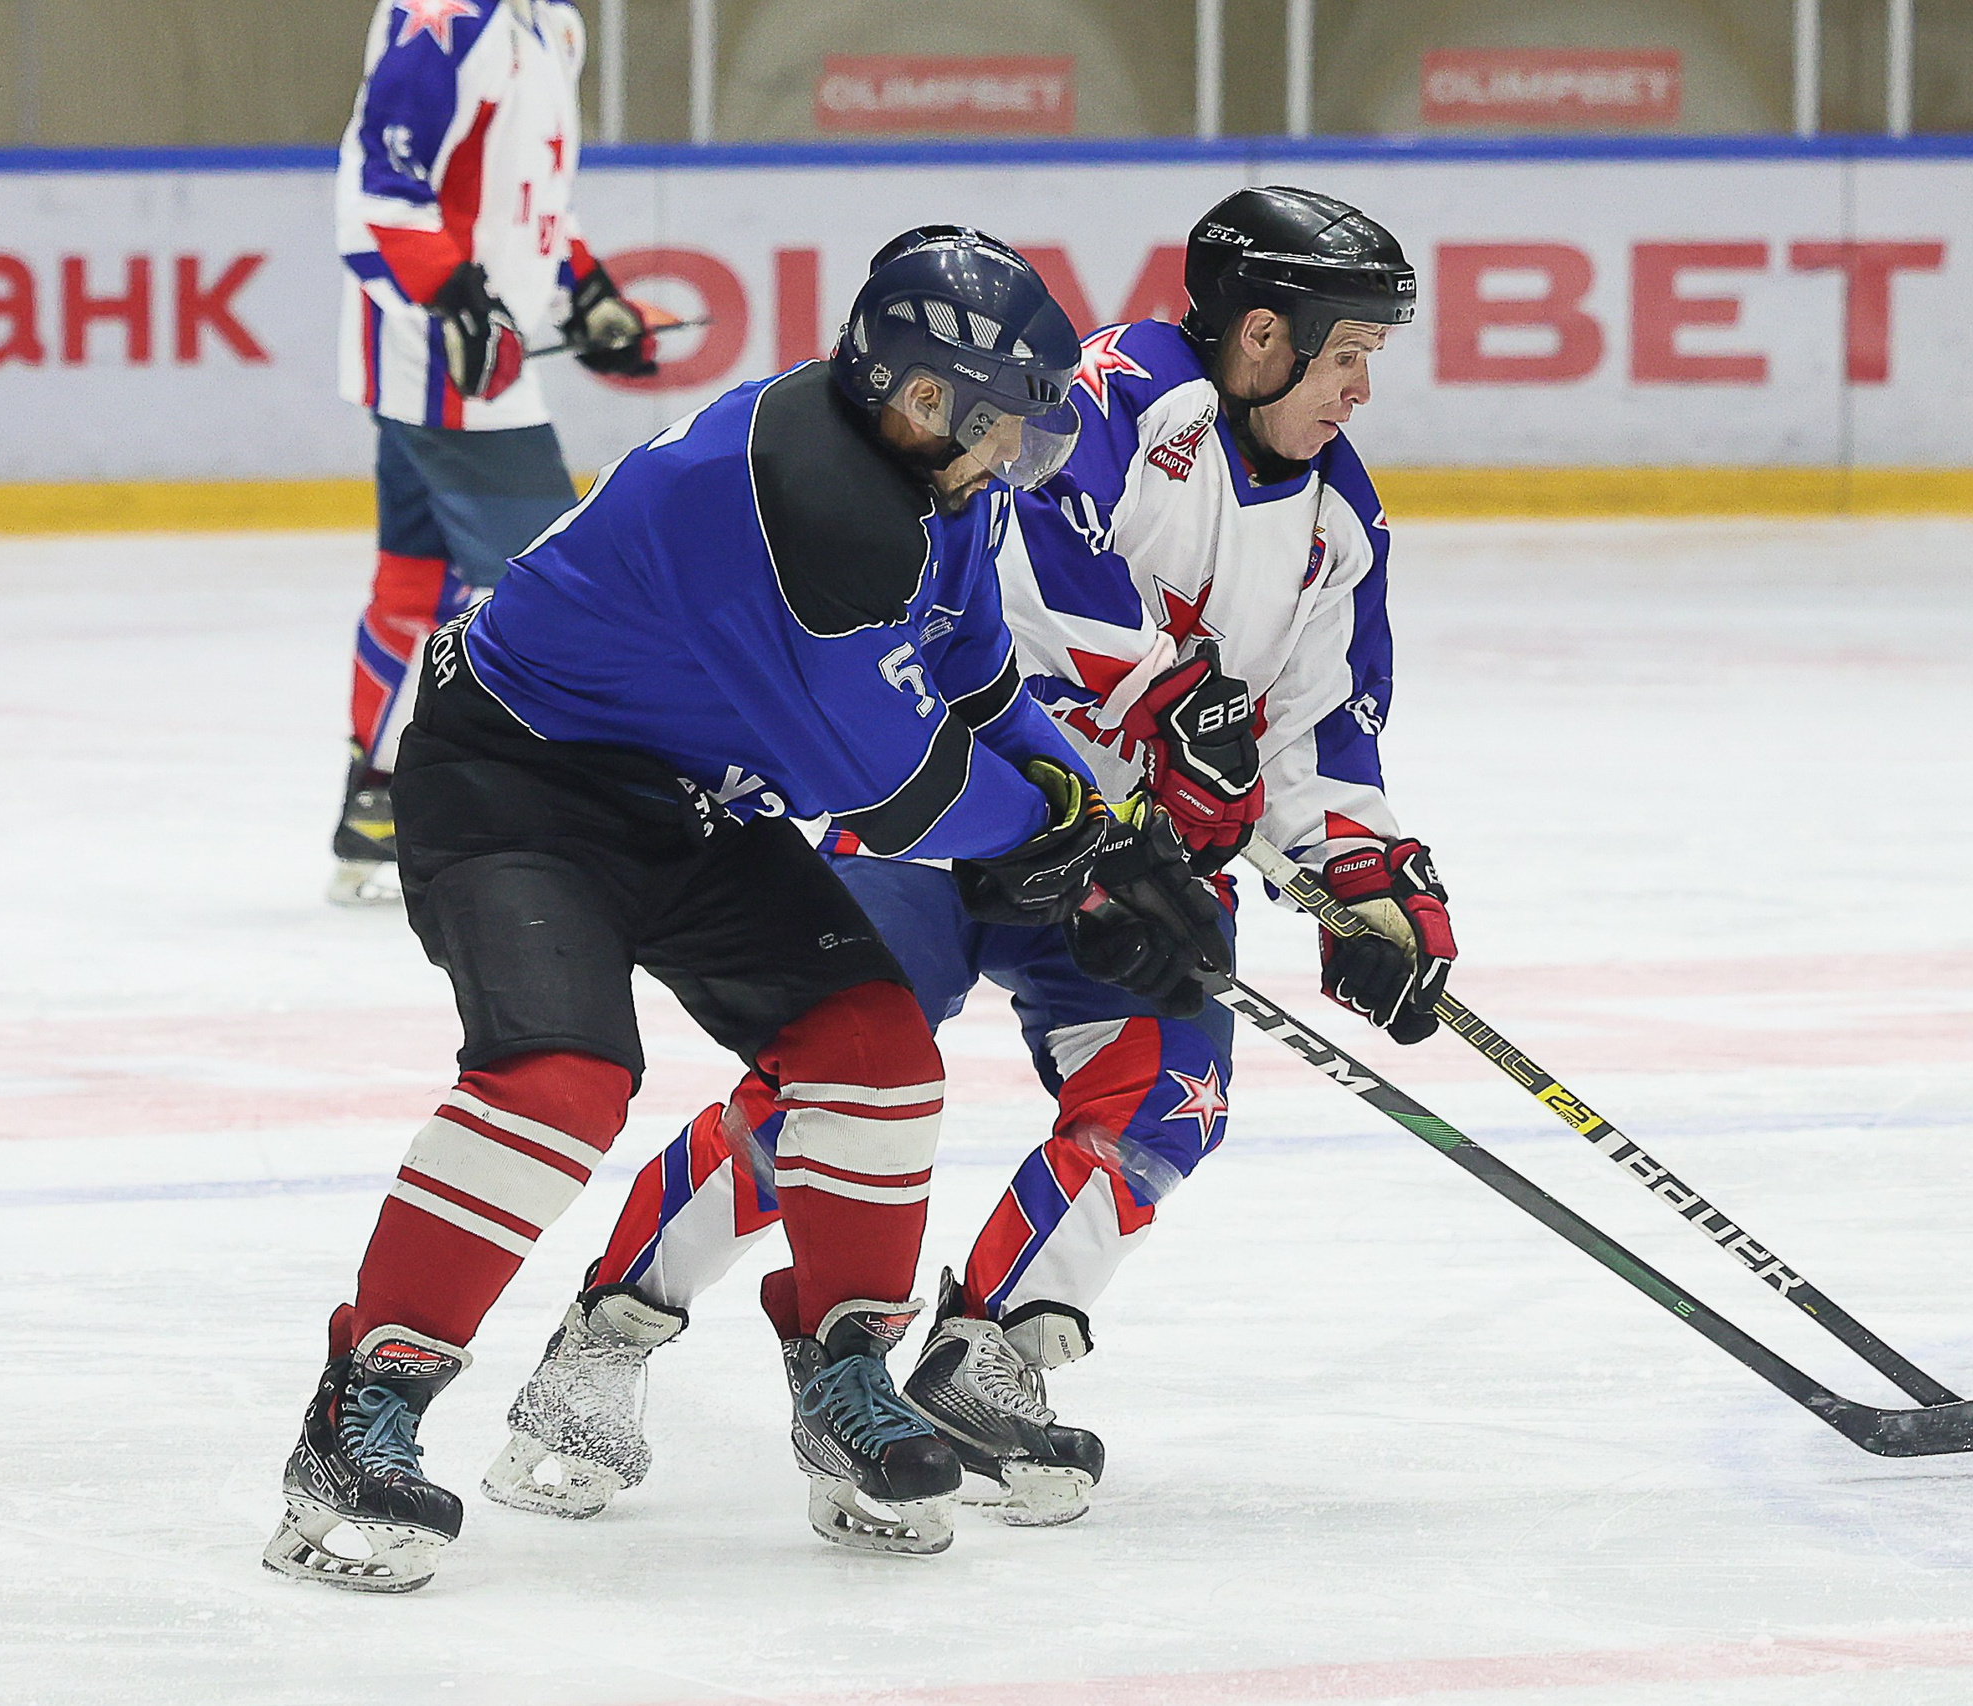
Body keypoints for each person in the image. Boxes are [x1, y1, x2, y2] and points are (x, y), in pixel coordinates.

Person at [261, 229, 1230, 1592]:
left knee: (876, 1059)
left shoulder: (939, 478)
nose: (1022, 450)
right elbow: (899, 790)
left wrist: (1102, 817)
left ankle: (846, 1379)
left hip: (691, 794)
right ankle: (363, 1407)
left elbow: (976, 685)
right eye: (1004, 421)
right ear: (923, 397)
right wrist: (1057, 844)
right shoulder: (818, 502)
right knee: (559, 1082)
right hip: (516, 778)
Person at [483, 187, 1453, 1532]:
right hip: (947, 806)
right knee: (835, 1087)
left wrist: (1365, 877)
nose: (1360, 389)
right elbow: (1018, 590)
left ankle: (983, 1355)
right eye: (1345, 353)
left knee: (1169, 1084)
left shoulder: (1342, 518)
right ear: (1261, 335)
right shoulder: (1105, 398)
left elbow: (1319, 728)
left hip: (1123, 859)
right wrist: (1159, 711)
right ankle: (611, 1329)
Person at [328, 0, 661, 905]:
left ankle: (378, 801)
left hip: (468, 357)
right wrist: (454, 300)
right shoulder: (443, 17)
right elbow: (378, 188)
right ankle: (569, 817)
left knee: (416, 584)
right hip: (442, 362)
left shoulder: (552, 23)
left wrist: (585, 293)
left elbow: (532, 201)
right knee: (564, 591)